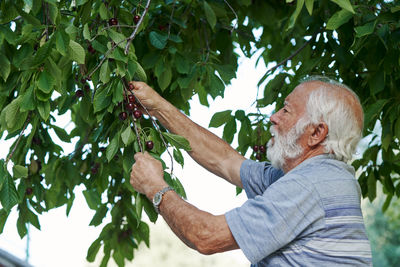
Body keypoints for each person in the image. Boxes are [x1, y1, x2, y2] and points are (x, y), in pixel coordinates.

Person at [129, 76, 372, 266]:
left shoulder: (309, 185)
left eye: (286, 110)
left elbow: (205, 236)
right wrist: (158, 107)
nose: (272, 117)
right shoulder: (318, 177)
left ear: (316, 133)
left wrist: (154, 187)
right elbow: (224, 160)